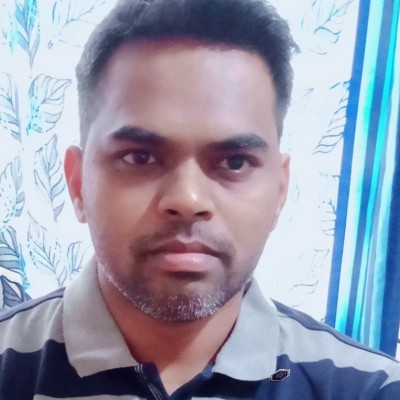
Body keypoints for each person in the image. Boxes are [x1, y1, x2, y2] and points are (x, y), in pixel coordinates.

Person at [0, 0, 399, 398]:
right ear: (77, 184)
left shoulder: (371, 389)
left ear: (279, 191)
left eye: (235, 161)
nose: (188, 199)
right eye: (140, 157)